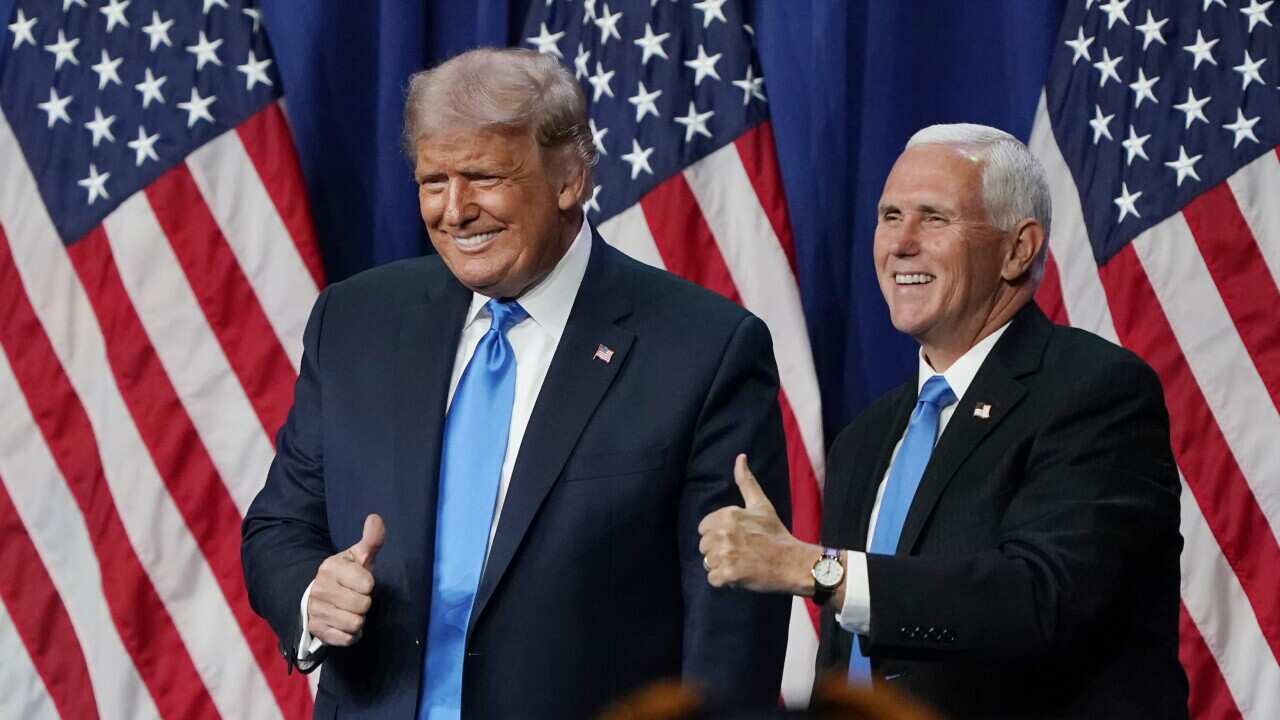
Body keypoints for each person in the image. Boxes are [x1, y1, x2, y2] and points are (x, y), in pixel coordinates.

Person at [241, 47, 791, 720]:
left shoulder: (703, 350)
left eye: (482, 177)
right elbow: (279, 527)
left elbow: (729, 626)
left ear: (568, 178)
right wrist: (310, 594)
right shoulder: (355, 323)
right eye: (432, 180)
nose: (454, 210)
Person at [697, 124, 1187, 719]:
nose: (900, 243)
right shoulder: (867, 439)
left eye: (934, 218)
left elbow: (1039, 597)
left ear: (1019, 249)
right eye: (890, 215)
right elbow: (849, 660)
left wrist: (811, 567)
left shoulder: (1094, 390)